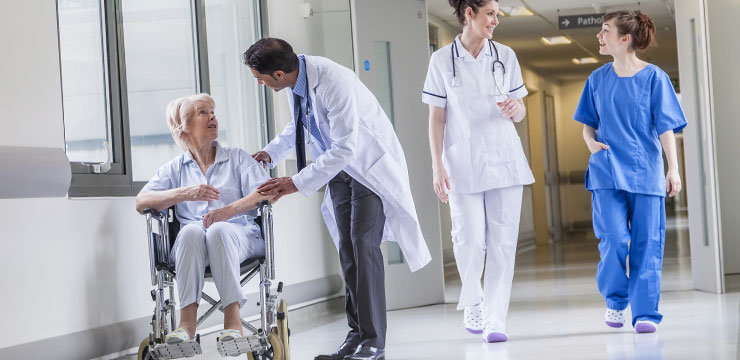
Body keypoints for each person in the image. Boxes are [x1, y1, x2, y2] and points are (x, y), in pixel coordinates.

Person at [243, 38, 431, 360]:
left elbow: (346, 147)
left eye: (259, 78)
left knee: (363, 245)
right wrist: (271, 152)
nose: (259, 83)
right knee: (347, 249)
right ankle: (356, 336)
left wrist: (296, 183)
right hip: (339, 171)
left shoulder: (333, 81)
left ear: (277, 73)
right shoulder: (296, 82)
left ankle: (374, 342)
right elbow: (299, 125)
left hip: (367, 169)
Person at [422, 0, 534, 343]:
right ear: (468, 13)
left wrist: (516, 108)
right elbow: (437, 117)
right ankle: (473, 298)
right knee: (469, 239)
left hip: (505, 161)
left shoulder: (506, 56)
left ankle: (495, 318)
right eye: (490, 13)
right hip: (462, 163)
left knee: (502, 244)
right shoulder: (441, 60)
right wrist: (437, 163)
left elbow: (520, 112)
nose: (496, 20)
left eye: (497, 14)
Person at [573, 10, 686, 334]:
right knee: (613, 239)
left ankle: (645, 312)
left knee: (647, 243)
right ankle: (615, 298)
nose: (599, 36)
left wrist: (673, 169)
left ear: (625, 39)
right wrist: (591, 143)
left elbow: (666, 128)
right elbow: (587, 127)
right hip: (607, 171)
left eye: (605, 31)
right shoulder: (596, 79)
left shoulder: (655, 78)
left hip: (645, 172)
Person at [135, 94, 271, 344]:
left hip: (240, 238)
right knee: (190, 231)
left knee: (219, 230)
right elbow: (141, 201)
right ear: (183, 126)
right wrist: (185, 193)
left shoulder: (237, 158)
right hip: (193, 246)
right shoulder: (175, 168)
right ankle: (186, 324)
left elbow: (268, 192)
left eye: (212, 111)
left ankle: (233, 320)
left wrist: (227, 211)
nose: (212, 116)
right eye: (202, 112)